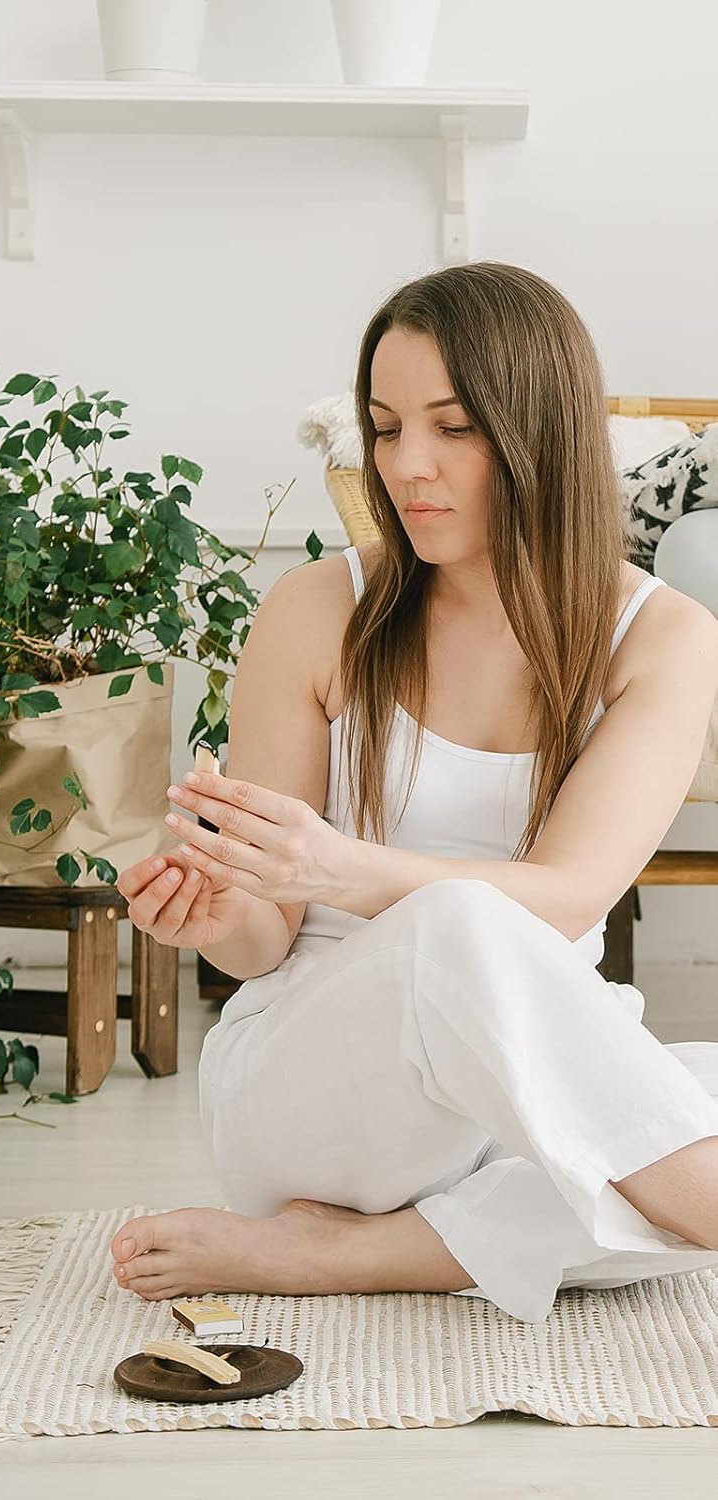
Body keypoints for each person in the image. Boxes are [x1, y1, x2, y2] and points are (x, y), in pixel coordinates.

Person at [109, 261, 718, 1323]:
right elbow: (264, 940)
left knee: (661, 1089)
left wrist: (336, 862)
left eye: (454, 427)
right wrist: (217, 914)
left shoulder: (662, 637)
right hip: (311, 1095)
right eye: (387, 428)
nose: (409, 466)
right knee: (460, 923)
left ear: (544, 431)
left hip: (521, 1086)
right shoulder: (315, 609)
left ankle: (343, 1256)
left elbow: (571, 898)